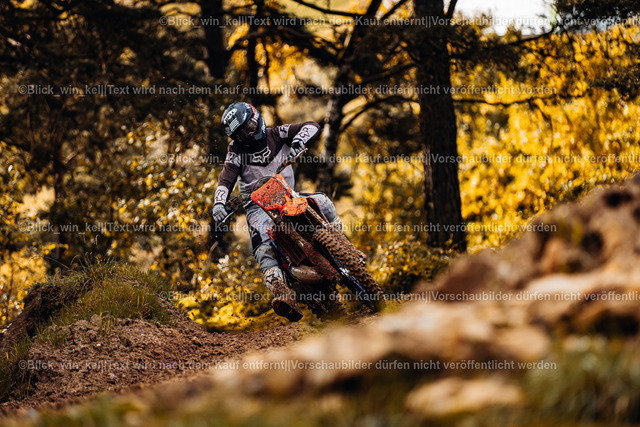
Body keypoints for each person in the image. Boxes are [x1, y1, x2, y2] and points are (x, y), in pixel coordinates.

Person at [212, 102, 343, 322]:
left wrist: (299, 140)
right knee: (262, 244)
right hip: (258, 207)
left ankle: (343, 248)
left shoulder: (279, 133)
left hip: (289, 195)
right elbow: (225, 179)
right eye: (241, 133)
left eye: (249, 127)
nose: (248, 134)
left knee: (323, 202)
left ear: (256, 118)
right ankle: (281, 291)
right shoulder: (235, 152)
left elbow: (312, 125)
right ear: (235, 137)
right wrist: (218, 203)